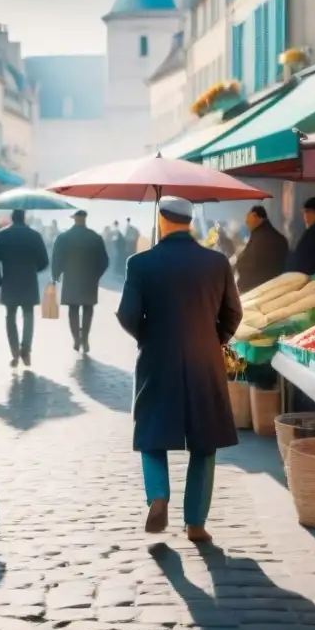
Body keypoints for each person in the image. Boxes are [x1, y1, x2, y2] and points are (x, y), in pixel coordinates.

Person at [116, 196, 243, 543]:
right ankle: (197, 522)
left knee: (152, 433)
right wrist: (213, 337)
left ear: (162, 220)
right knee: (205, 441)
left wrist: (149, 336)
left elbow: (127, 314)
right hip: (205, 360)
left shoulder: (140, 263)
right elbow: (234, 312)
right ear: (189, 222)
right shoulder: (217, 263)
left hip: (158, 358)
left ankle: (158, 496)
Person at [0, 209, 49, 367]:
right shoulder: (34, 236)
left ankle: (14, 351)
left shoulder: (1, 235)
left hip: (9, 279)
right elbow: (44, 260)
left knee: (10, 315)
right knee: (28, 315)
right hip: (29, 279)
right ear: (25, 218)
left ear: (11, 218)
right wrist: (33, 270)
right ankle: (26, 349)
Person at [51, 210, 109, 353]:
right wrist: (96, 275)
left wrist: (55, 275)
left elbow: (57, 258)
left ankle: (76, 338)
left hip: (71, 278)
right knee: (88, 308)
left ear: (74, 219)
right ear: (85, 219)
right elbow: (104, 261)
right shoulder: (95, 237)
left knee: (73, 309)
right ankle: (85, 339)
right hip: (89, 279)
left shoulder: (64, 237)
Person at [233, 205, 290, 294]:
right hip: (277, 284)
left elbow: (252, 263)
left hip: (260, 289)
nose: (246, 221)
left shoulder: (261, 238)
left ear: (256, 216)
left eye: (248, 217)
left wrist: (238, 262)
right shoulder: (275, 236)